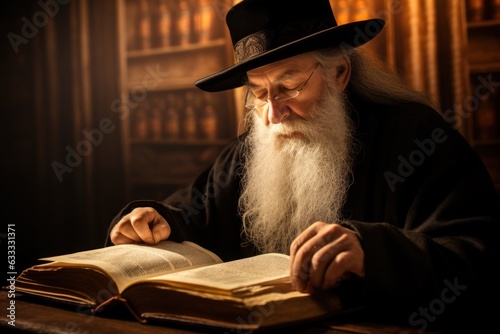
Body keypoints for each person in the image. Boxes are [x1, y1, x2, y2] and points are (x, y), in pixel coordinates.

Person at [107, 0, 499, 331]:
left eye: (289, 86)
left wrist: (373, 252)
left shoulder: (417, 137)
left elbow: (478, 256)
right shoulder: (250, 149)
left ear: (339, 73)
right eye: (259, 93)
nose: (274, 114)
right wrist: (155, 217)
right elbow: (195, 211)